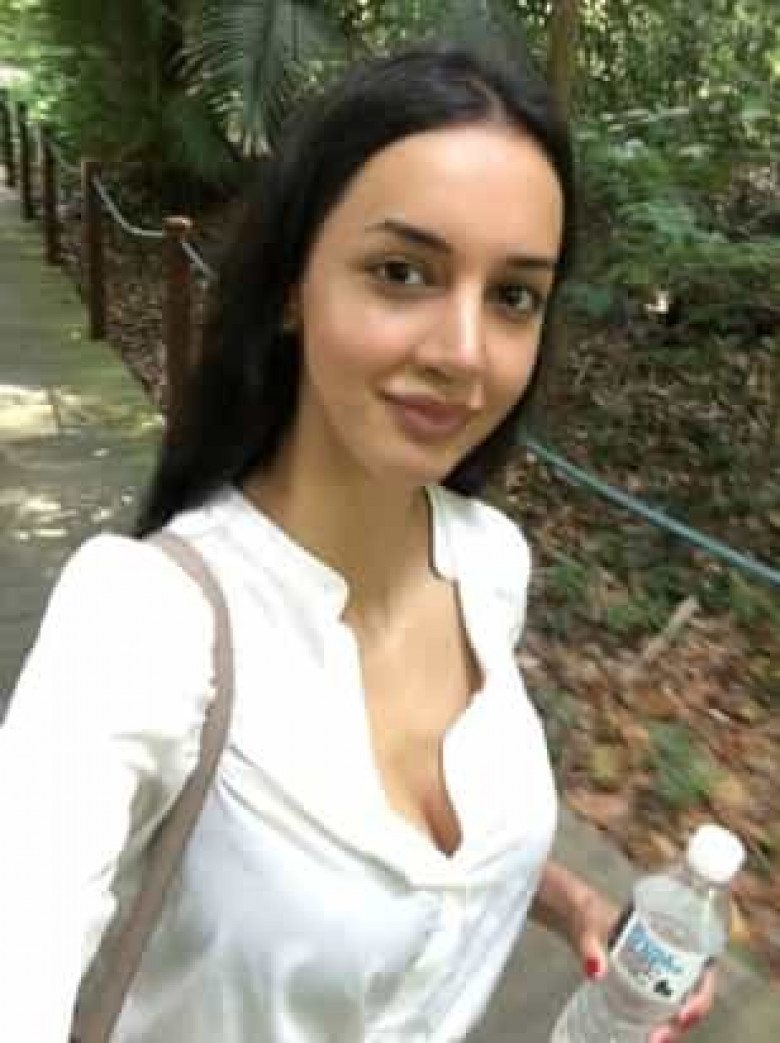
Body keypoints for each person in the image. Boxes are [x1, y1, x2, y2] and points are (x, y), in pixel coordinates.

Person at [0, 41, 714, 1043]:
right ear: (294, 283)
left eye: (513, 294)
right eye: (402, 272)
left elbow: (402, 868)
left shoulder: (489, 561)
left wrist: (568, 902)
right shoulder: (143, 621)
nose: (463, 353)